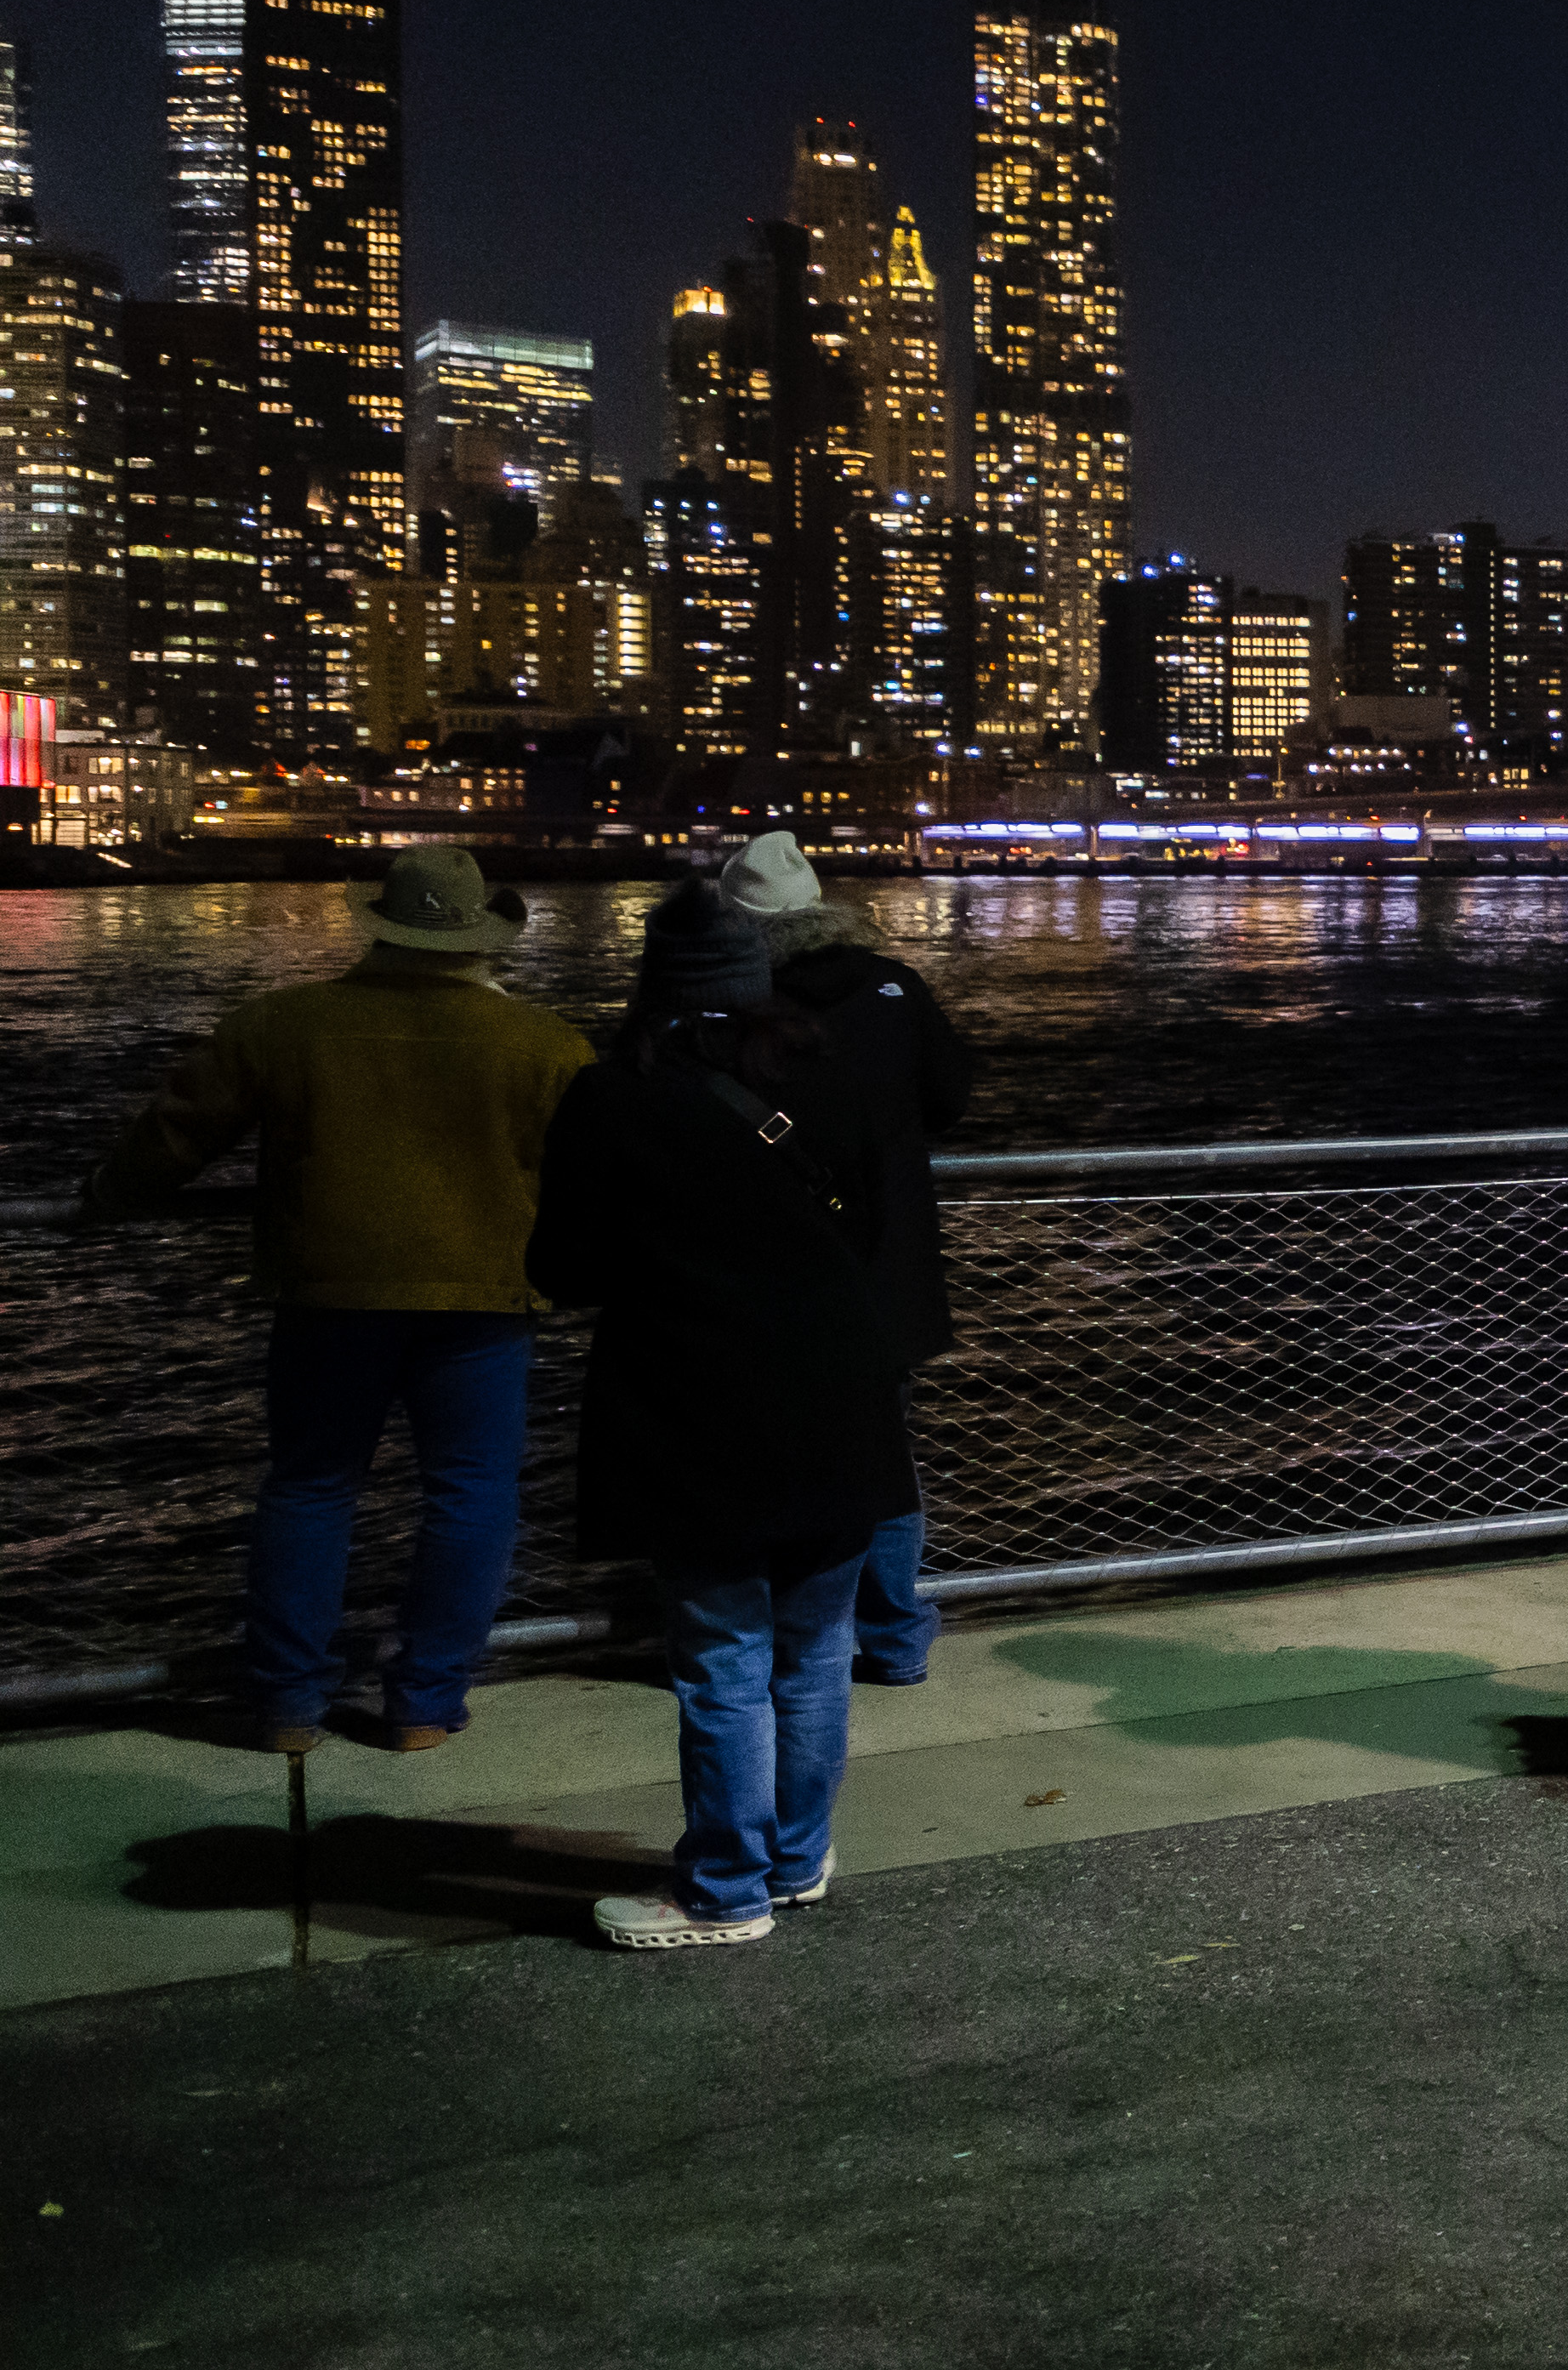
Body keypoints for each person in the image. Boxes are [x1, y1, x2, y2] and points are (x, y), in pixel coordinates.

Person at [82, 848, 596, 1756]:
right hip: (484, 1295)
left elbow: (171, 1138)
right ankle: (425, 1704)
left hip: (329, 1289)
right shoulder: (548, 1046)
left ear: (379, 928)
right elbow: (595, 1179)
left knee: (312, 1487)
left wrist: (109, 1197)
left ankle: (287, 1703)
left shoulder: (283, 1025)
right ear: (482, 941)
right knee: (472, 1495)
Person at [527, 885, 918, 1948]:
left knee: (722, 1656)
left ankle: (724, 1889)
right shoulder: (833, 1078)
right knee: (816, 1646)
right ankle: (795, 1858)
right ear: (759, 982)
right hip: (841, 1402)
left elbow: (563, 1266)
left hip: (695, 1414)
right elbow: (875, 1226)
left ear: (654, 988)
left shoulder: (614, 1097)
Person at [711, 831, 976, 1684]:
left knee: (764, 1456)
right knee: (884, 1458)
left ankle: (781, 1632)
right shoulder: (894, 988)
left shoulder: (732, 1009)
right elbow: (951, 1100)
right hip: (887, 1270)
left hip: (768, 1275)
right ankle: (895, 1634)